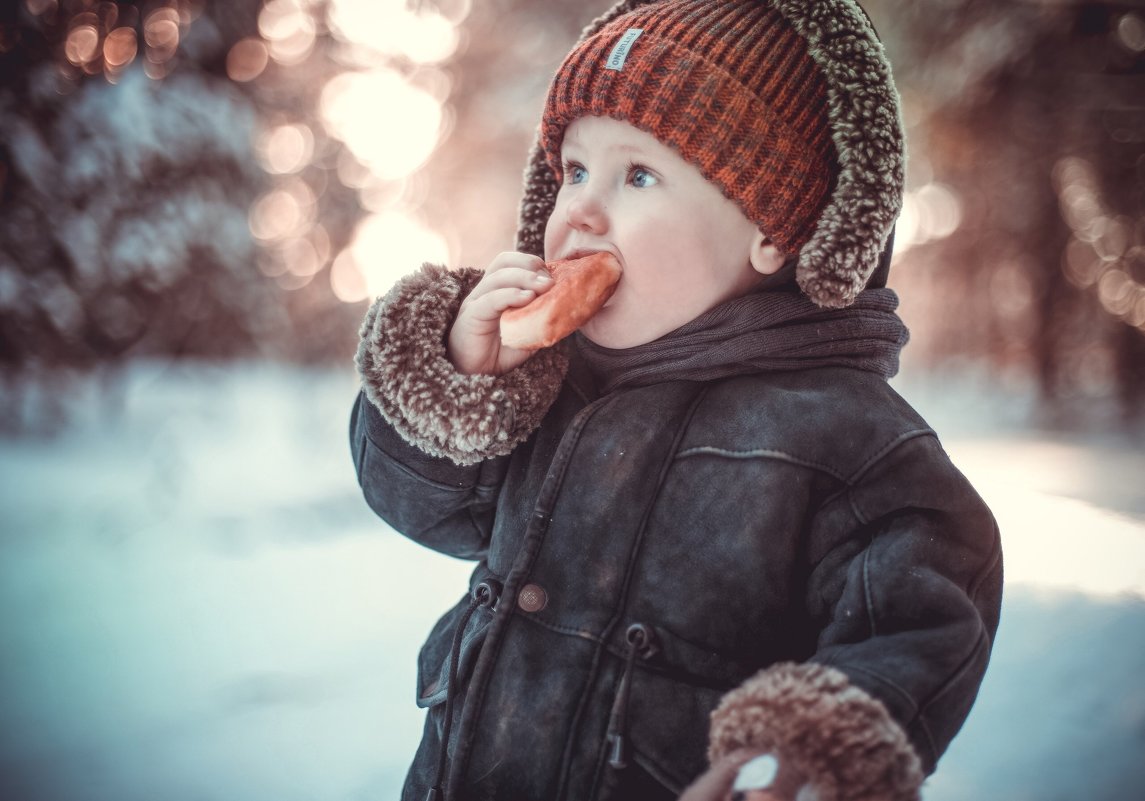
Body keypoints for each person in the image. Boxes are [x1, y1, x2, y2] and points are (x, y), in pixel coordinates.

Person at [350, 1, 1003, 799]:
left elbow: (923, 617)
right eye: (574, 171)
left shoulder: (838, 432)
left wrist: (806, 754)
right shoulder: (544, 381)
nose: (582, 209)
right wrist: (463, 378)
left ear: (771, 229)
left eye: (638, 175)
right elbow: (426, 509)